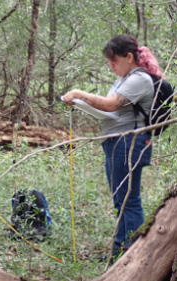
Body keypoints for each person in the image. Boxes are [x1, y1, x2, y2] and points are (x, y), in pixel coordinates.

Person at [63, 34, 162, 257]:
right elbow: (111, 109)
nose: (111, 66)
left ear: (129, 57)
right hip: (116, 142)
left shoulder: (140, 79)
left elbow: (110, 105)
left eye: (113, 61)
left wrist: (79, 94)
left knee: (129, 201)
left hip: (129, 143)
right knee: (120, 200)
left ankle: (135, 255)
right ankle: (120, 251)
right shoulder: (124, 80)